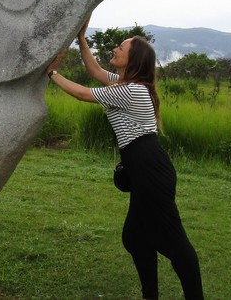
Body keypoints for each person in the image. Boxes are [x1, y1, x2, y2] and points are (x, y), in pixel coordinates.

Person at [46, 20, 204, 300]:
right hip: (143, 168)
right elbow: (94, 72)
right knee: (135, 237)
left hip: (150, 171)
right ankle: (150, 295)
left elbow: (83, 93)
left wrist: (52, 73)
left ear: (134, 59)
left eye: (121, 47)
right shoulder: (126, 83)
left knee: (174, 242)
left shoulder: (130, 91)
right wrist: (82, 39)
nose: (115, 49)